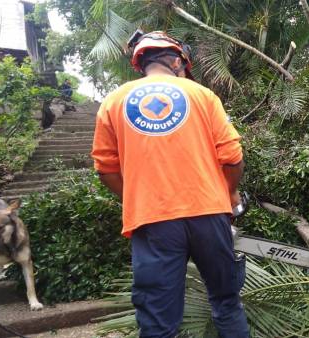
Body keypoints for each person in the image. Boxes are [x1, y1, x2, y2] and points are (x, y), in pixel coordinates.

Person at [91, 30, 249, 338]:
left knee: (159, 326)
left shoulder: (113, 102)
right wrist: (230, 191)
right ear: (177, 60)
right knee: (227, 304)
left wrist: (137, 198)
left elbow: (105, 168)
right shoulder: (202, 95)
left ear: (142, 61)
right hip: (210, 211)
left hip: (153, 220)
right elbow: (232, 157)